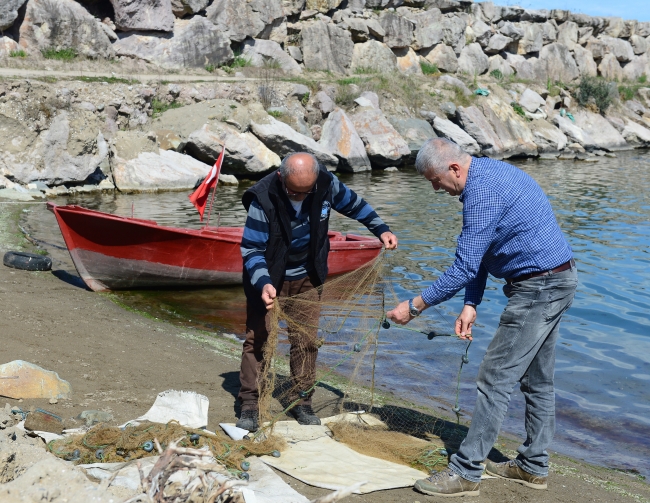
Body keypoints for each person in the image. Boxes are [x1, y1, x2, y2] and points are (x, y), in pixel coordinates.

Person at [387, 138, 577, 498]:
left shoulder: (482, 193)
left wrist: (414, 306)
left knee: (495, 376)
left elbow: (462, 267)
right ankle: (532, 466)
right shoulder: (486, 176)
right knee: (537, 379)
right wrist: (471, 303)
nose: (434, 188)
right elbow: (480, 251)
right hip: (556, 279)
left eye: (435, 179)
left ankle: (466, 471)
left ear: (454, 169)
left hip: (539, 288)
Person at [237, 152, 398, 431]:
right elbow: (252, 249)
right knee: (258, 339)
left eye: (306, 192)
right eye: (293, 192)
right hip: (267, 278)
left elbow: (355, 206)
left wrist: (380, 229)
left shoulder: (326, 184)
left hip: (308, 275)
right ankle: (250, 405)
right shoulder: (262, 198)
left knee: (307, 340)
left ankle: (301, 401)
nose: (299, 197)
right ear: (280, 177)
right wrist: (264, 283)